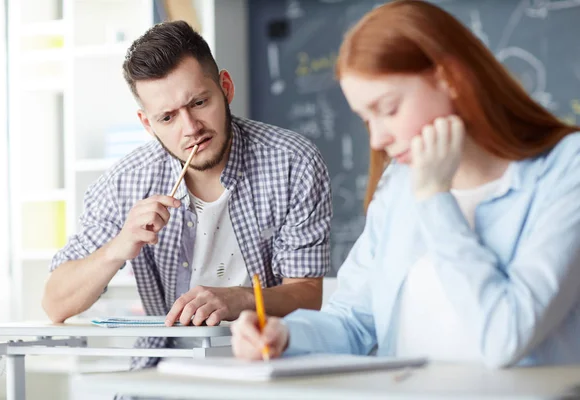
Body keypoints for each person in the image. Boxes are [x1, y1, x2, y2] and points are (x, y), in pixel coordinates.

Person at [231, 0, 580, 368]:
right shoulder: (399, 184)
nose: (378, 138)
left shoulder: (566, 170)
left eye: (389, 109)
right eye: (367, 119)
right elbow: (353, 321)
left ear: (449, 79)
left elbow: (505, 337)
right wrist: (283, 334)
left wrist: (435, 199)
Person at [42, 20, 332, 369]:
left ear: (225, 88)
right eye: (167, 117)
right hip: (165, 368)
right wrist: (119, 247)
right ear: (147, 124)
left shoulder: (293, 162)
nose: (190, 128)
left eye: (198, 102)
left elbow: (307, 295)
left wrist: (237, 300)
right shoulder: (124, 183)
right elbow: (55, 303)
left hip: (265, 363)